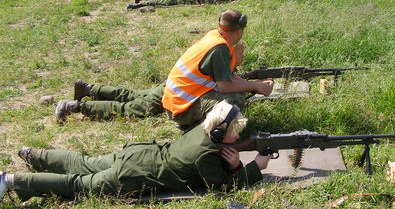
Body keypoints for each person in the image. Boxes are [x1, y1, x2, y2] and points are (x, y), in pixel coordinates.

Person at [0, 101, 272, 202]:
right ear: (218, 132)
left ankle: (32, 154)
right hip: (133, 174)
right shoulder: (208, 154)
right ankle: (11, 182)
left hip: (135, 155)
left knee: (84, 162)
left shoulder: (202, 130)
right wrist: (252, 168)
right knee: (78, 185)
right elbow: (220, 187)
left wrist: (235, 163)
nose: (237, 136)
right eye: (235, 131)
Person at [54, 41, 249, 123]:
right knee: (132, 109)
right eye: (241, 53)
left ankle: (89, 88)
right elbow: (228, 85)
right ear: (232, 52)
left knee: (133, 96)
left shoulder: (220, 55)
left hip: (173, 86)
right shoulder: (222, 58)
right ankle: (75, 106)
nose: (243, 58)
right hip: (175, 93)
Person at [162, 9, 274, 127]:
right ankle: (206, 130)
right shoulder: (219, 48)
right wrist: (255, 86)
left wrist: (257, 85)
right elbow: (225, 87)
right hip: (182, 110)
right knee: (235, 102)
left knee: (238, 93)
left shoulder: (217, 37)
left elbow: (230, 76)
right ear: (239, 31)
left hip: (178, 102)